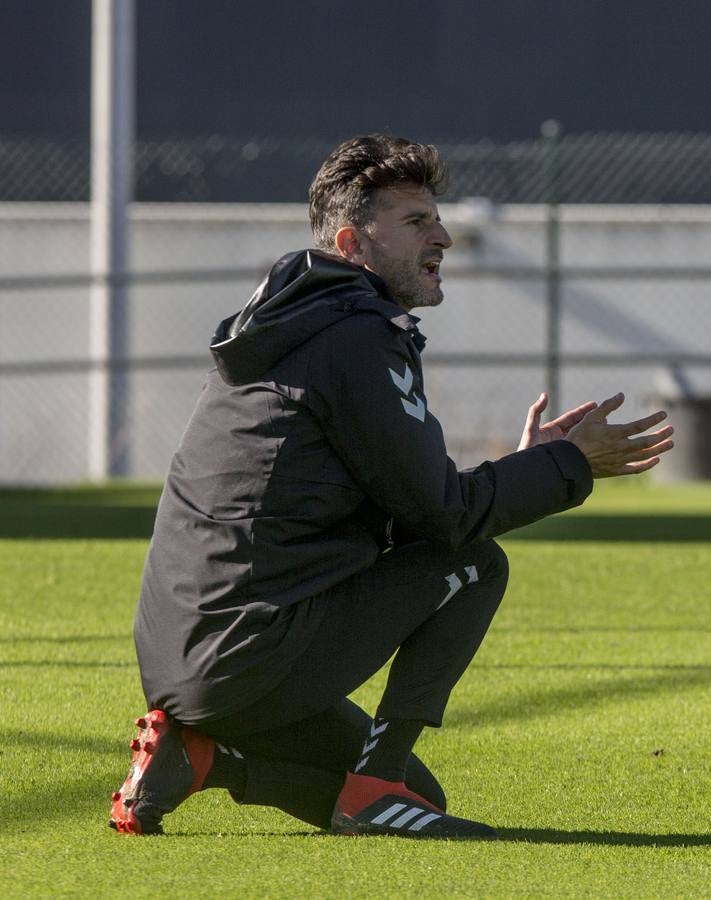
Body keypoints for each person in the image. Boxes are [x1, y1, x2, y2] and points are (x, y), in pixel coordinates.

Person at [110, 134, 673, 839]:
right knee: (475, 564)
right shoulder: (358, 337)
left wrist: (530, 462)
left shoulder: (294, 329)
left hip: (191, 664)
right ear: (352, 241)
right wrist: (567, 466)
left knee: (422, 793)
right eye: (414, 223)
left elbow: (411, 505)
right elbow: (446, 521)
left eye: (434, 220)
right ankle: (371, 790)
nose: (440, 237)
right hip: (248, 656)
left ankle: (202, 763)